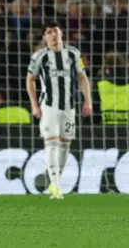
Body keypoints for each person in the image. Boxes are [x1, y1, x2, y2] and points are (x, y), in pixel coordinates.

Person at [26, 21, 92, 199]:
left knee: (64, 147)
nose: (53, 35)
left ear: (61, 33)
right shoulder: (39, 56)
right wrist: (34, 105)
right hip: (49, 107)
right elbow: (30, 79)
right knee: (52, 143)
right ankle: (56, 186)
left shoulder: (73, 53)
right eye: (49, 32)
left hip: (69, 107)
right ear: (44, 37)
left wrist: (88, 101)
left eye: (55, 31)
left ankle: (54, 180)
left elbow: (82, 77)